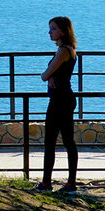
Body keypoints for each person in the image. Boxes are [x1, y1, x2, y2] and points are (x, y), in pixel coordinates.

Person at [37, 16, 79, 194]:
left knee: (53, 142)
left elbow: (45, 75)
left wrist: (49, 77)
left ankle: (48, 183)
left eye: (53, 28)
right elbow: (56, 74)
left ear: (63, 31)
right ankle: (69, 183)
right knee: (67, 141)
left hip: (60, 100)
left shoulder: (63, 51)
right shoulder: (69, 50)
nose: (49, 32)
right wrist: (52, 77)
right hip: (64, 98)